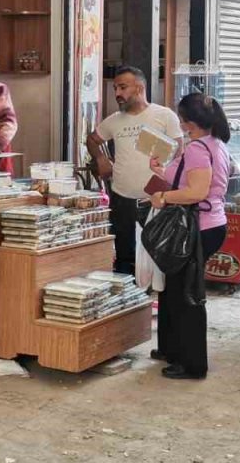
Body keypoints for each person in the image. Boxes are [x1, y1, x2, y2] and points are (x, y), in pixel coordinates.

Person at [146, 94, 232, 380]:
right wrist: (160, 171)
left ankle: (193, 363)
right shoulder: (215, 145)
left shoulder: (197, 149)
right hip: (210, 224)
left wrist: (162, 196)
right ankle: (171, 349)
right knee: (173, 288)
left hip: (197, 227)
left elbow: (196, 192)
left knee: (187, 296)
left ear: (187, 121)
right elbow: (188, 179)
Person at [86, 67, 183, 275]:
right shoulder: (113, 120)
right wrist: (101, 159)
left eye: (123, 87)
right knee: (124, 256)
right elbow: (92, 140)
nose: (117, 94)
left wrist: (166, 185)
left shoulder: (164, 116)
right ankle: (127, 302)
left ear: (139, 88)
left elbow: (179, 152)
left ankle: (155, 300)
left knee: (157, 254)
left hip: (156, 199)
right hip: (123, 198)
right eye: (115, 88)